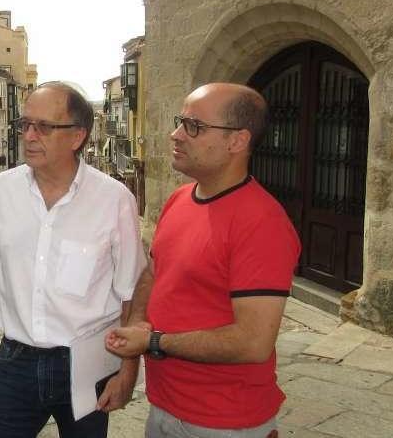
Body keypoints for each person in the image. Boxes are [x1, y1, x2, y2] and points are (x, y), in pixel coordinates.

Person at [106, 83, 301, 438]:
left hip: (224, 421)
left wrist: (153, 342)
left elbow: (252, 342)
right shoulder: (180, 199)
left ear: (237, 141)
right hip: (165, 407)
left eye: (194, 126)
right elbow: (153, 272)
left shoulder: (262, 223)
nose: (176, 134)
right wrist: (137, 326)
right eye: (180, 122)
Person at [0, 81, 149, 438]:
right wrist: (18, 307)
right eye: (25, 125)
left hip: (87, 363)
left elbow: (131, 290)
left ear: (77, 136)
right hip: (15, 363)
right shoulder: (0, 190)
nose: (30, 136)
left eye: (45, 127)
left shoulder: (114, 199)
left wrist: (127, 370)